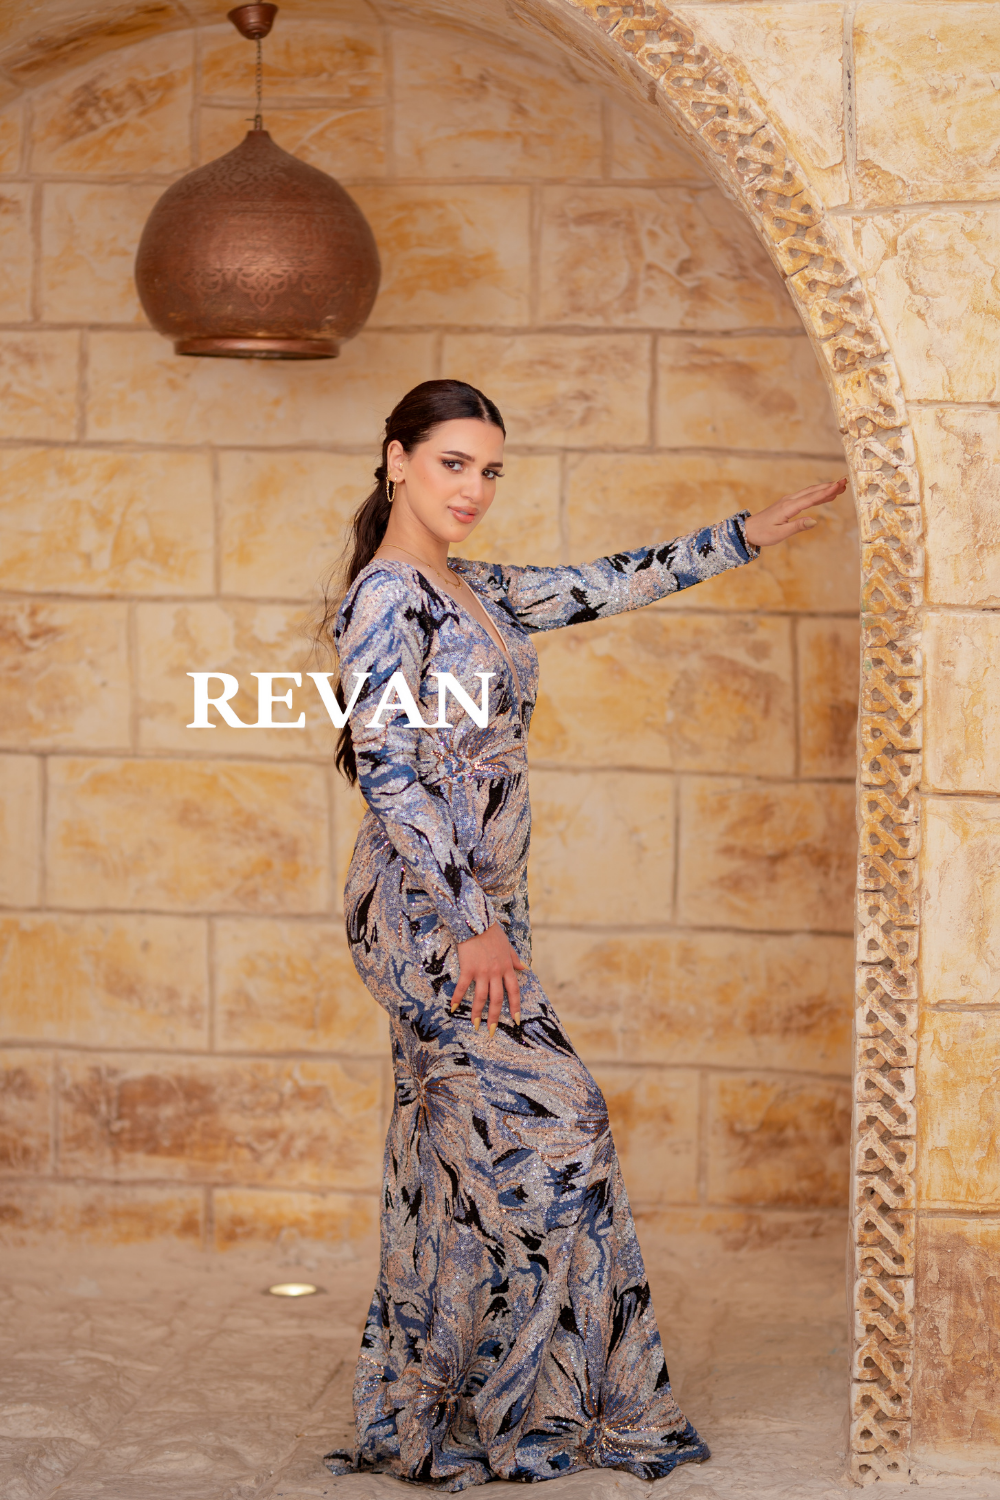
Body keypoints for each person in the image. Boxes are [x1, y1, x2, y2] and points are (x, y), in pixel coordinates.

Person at [322, 379, 846, 1490]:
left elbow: (604, 582)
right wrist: (472, 924)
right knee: (559, 1127)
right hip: (427, 917)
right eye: (453, 463)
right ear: (397, 459)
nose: (474, 488)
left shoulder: (473, 589)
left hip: (480, 914)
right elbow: (389, 768)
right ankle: (534, 1405)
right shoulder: (384, 599)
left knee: (453, 1158)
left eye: (489, 470)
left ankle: (446, 1408)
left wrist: (743, 536)